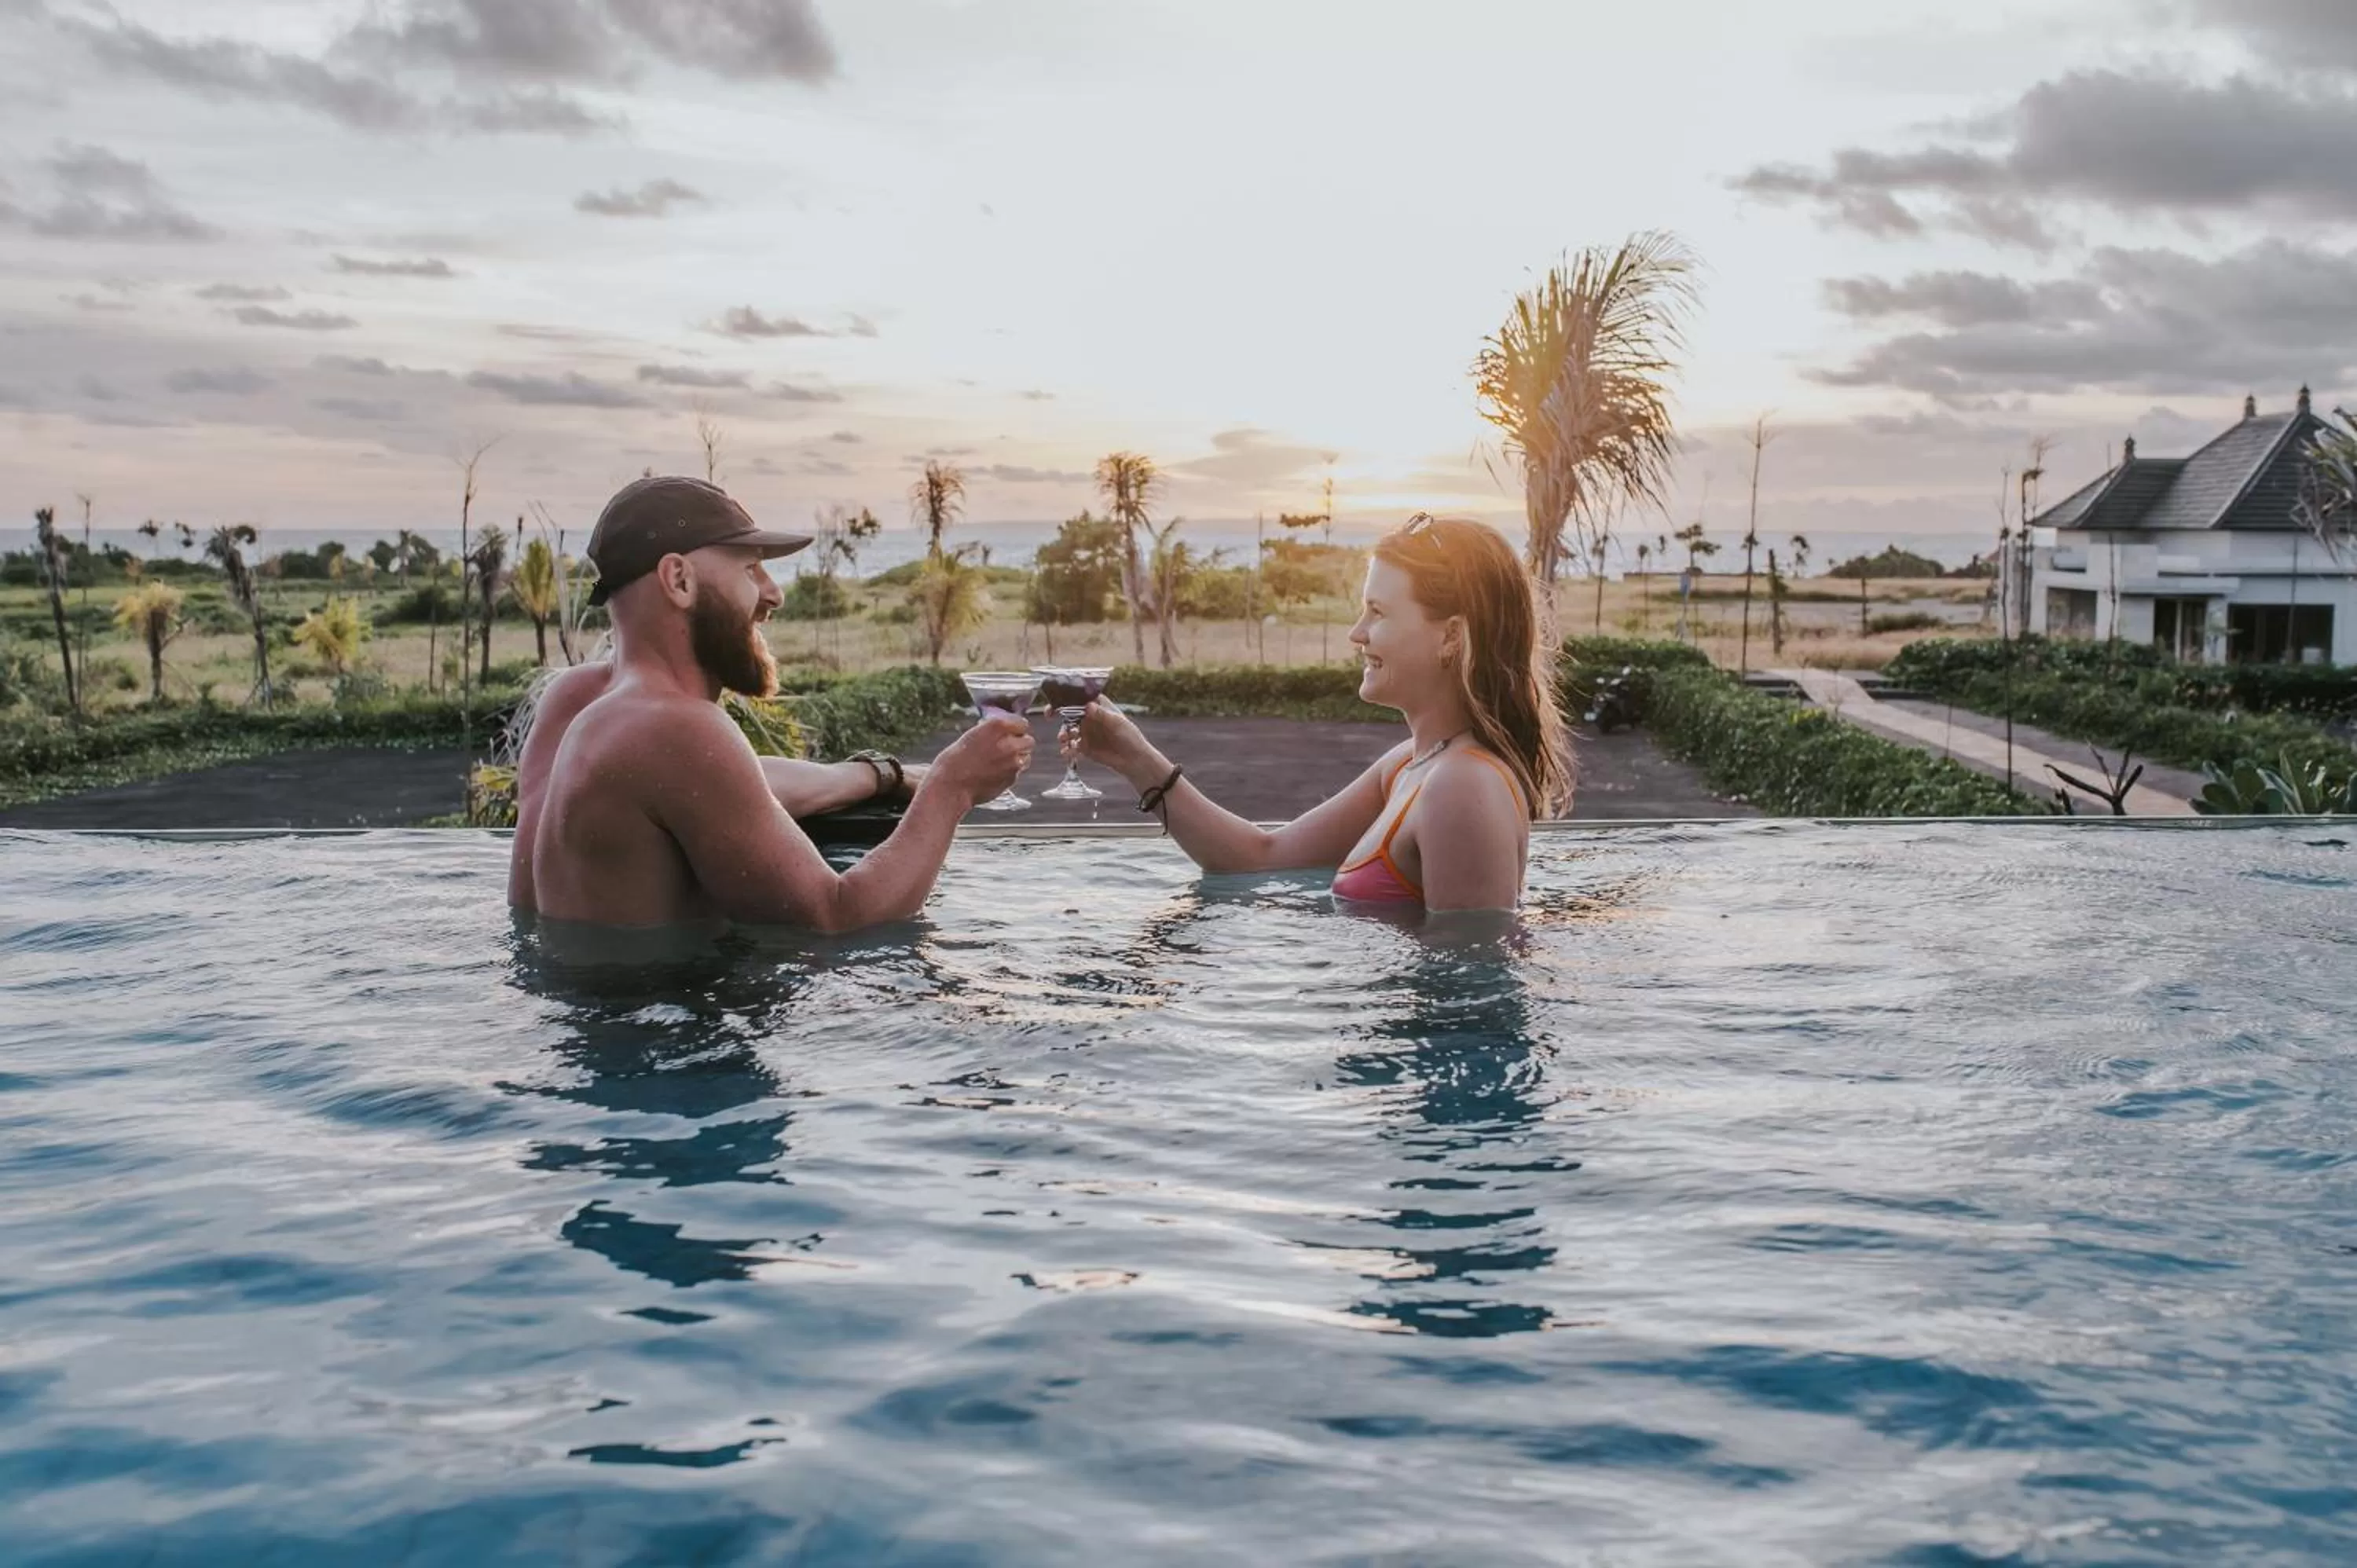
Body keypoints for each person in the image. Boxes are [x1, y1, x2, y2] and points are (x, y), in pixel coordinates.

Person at [510, 475, 1031, 932]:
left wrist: (881, 776)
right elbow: (838, 916)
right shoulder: (674, 727)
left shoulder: (575, 699)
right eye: (751, 569)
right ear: (679, 580)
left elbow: (736, 784)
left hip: (582, 1025)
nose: (773, 594)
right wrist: (953, 787)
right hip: (665, 1036)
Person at [1067, 513, 1570, 913]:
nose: (1357, 633)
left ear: (1452, 636)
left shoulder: (1461, 787)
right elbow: (1259, 860)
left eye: (1379, 612)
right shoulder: (1411, 767)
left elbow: (1474, 1007)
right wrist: (1134, 758)